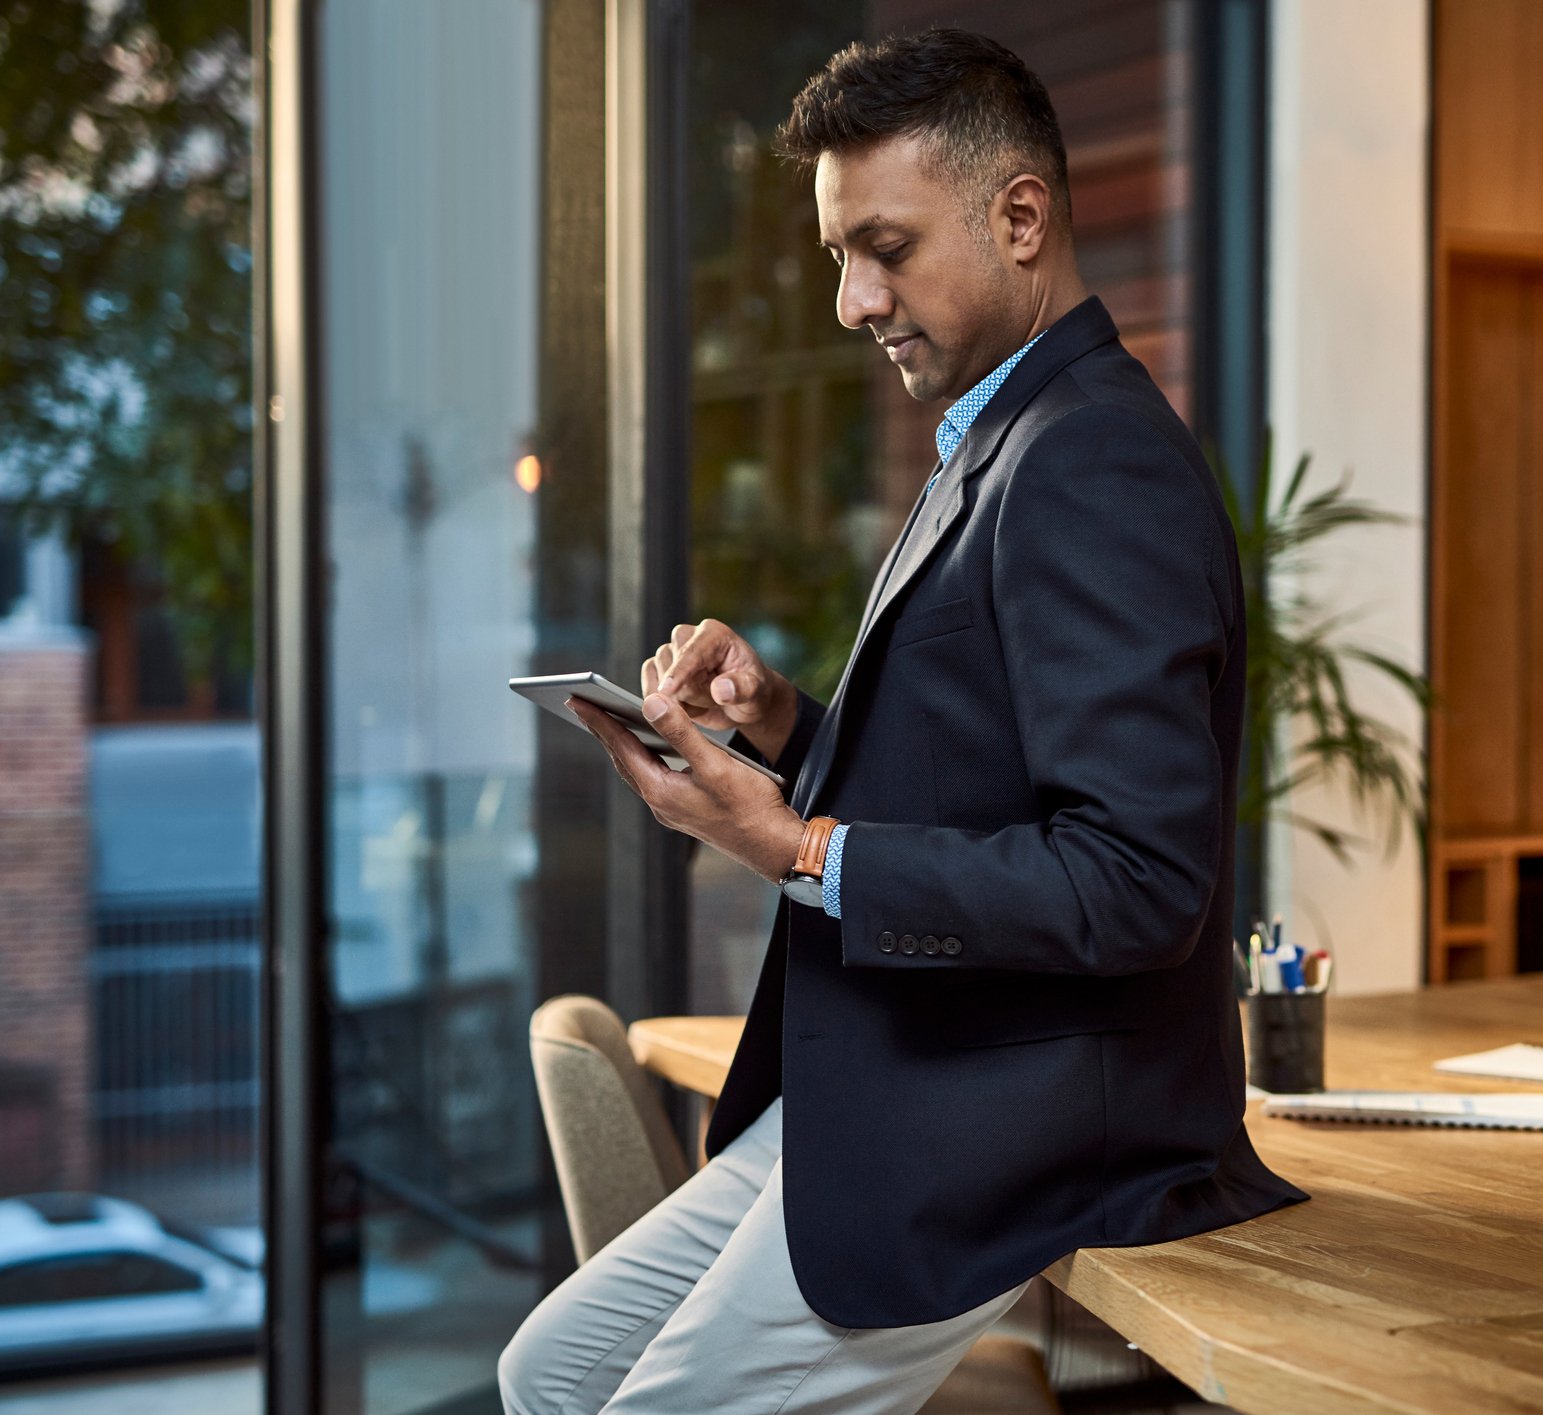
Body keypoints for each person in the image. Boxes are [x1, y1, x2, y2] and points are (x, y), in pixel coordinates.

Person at [499, 27, 1305, 1415]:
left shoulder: (1091, 456)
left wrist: (798, 848)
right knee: (551, 1372)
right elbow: (981, 777)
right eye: (835, 256)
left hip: (1018, 1127)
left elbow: (1139, 883)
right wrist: (786, 725)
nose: (852, 300)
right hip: (894, 1080)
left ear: (1022, 216)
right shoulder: (994, 440)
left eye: (885, 246)